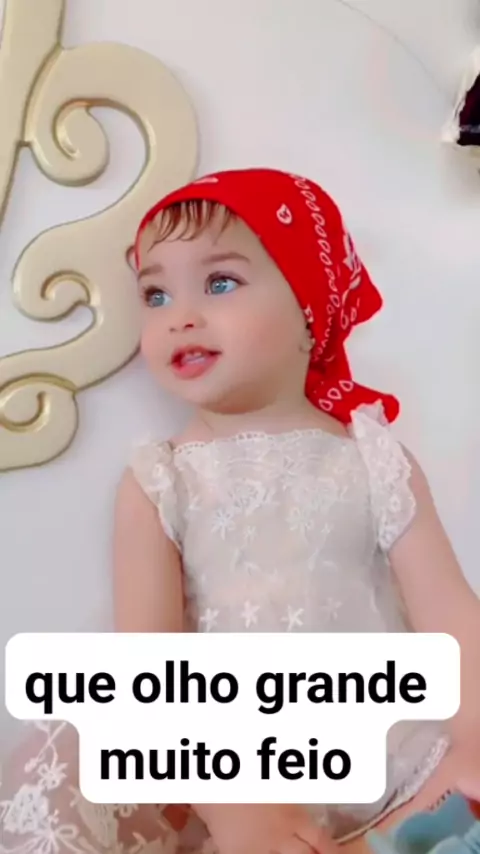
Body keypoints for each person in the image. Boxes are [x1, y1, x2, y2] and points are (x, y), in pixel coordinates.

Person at [1, 167, 479, 854]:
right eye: (156, 294)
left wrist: (471, 746)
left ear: (308, 309)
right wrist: (232, 803)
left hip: (400, 769)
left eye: (220, 283)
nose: (180, 316)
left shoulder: (375, 459)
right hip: (234, 772)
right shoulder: (160, 479)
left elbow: (454, 619)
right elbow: (150, 670)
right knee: (62, 773)